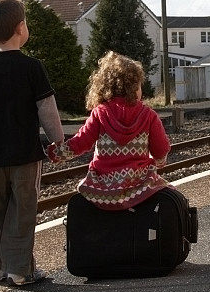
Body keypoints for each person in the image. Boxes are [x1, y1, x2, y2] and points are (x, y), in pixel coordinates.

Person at [0, 0, 64, 286]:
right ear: (21, 28)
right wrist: (58, 141)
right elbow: (46, 109)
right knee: (22, 212)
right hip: (25, 155)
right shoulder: (32, 67)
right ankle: (20, 271)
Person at [46, 51, 170, 210]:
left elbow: (81, 142)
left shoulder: (100, 113)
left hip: (102, 191)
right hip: (140, 188)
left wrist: (56, 153)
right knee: (168, 193)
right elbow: (160, 150)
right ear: (133, 88)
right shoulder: (148, 115)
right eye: (139, 85)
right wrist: (160, 162)